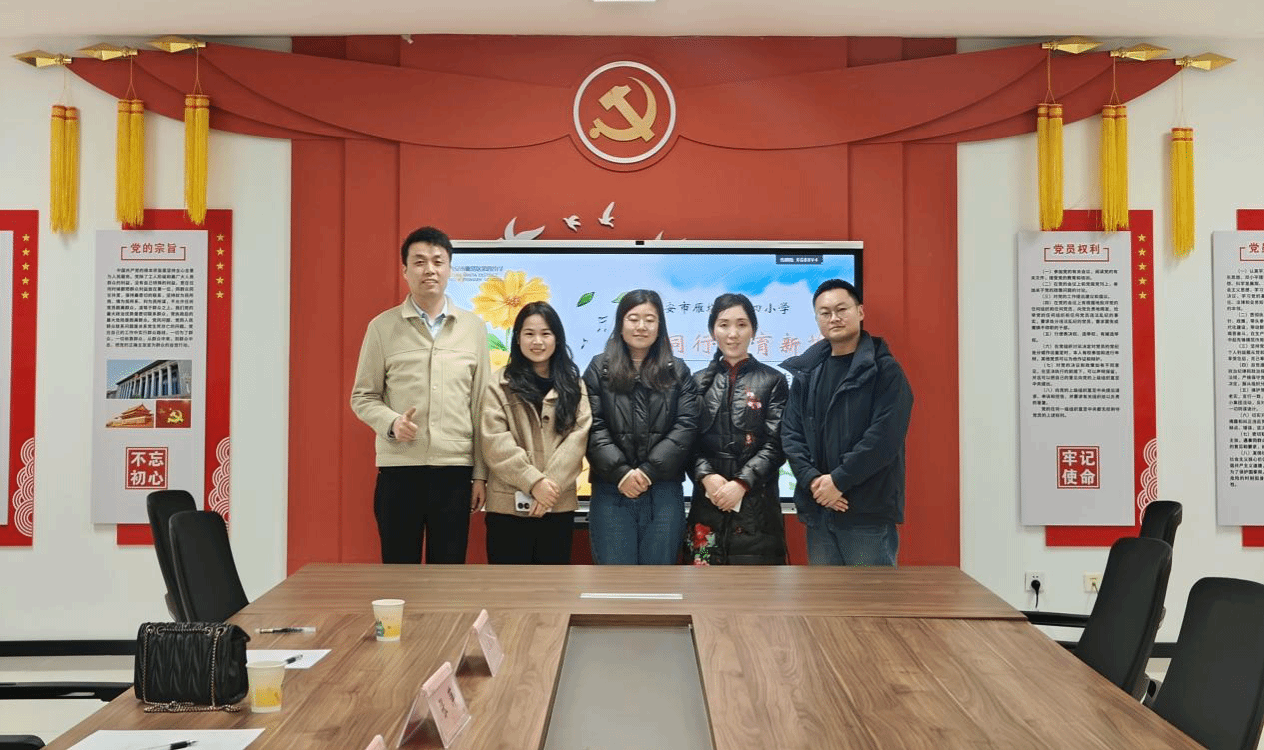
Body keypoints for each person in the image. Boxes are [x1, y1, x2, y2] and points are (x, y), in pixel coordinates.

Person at [350, 226, 491, 564]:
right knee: (399, 573)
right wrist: (392, 423)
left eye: (438, 262)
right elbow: (363, 396)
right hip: (400, 472)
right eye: (419, 262)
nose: (430, 270)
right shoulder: (382, 327)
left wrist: (480, 474)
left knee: (448, 576)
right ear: (405, 270)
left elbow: (482, 405)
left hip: (454, 472)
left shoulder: (473, 328)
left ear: (450, 269)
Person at [781, 279, 913, 566]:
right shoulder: (808, 372)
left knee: (870, 594)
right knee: (825, 595)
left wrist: (839, 481)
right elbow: (791, 434)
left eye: (842, 309)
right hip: (820, 510)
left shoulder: (885, 371)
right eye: (825, 313)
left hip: (866, 513)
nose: (834, 318)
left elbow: (884, 438)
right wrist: (815, 481)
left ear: (860, 312)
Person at [584, 289, 700, 565]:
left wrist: (648, 472)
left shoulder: (677, 370)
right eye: (633, 318)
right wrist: (621, 473)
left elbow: (686, 426)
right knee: (615, 580)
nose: (641, 326)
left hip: (663, 490)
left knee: (659, 580)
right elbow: (591, 425)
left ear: (660, 326)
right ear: (620, 324)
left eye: (650, 319)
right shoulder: (598, 368)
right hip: (612, 489)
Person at [481, 302, 592, 564]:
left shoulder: (574, 386)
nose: (537, 341)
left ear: (557, 338)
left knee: (552, 585)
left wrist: (548, 488)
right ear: (517, 339)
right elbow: (495, 443)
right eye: (529, 333)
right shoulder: (499, 384)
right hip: (507, 508)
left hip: (558, 506)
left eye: (546, 333)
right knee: (508, 585)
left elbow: (578, 439)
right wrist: (534, 483)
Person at [689, 293, 789, 565]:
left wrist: (741, 483)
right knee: (703, 583)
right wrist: (706, 476)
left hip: (757, 510)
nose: (732, 334)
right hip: (707, 504)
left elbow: (777, 444)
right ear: (713, 331)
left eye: (742, 324)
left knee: (756, 587)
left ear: (753, 330)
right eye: (724, 325)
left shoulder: (773, 380)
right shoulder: (696, 382)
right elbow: (685, 441)